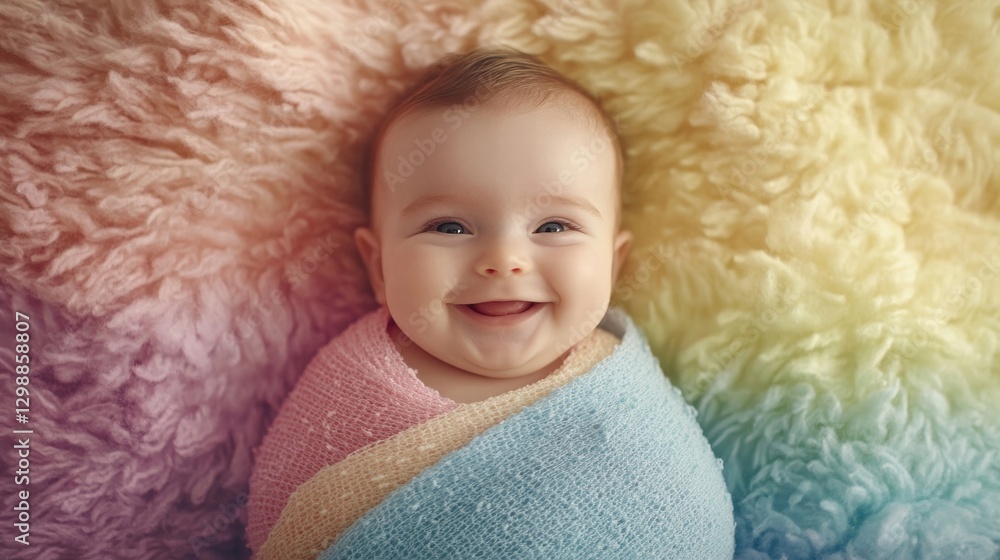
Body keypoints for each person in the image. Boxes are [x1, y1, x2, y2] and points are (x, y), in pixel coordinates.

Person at [246, 47, 637, 554]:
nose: (503, 260)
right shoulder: (349, 391)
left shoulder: (621, 391)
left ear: (613, 263)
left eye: (553, 226)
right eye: (449, 227)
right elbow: (287, 519)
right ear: (379, 266)